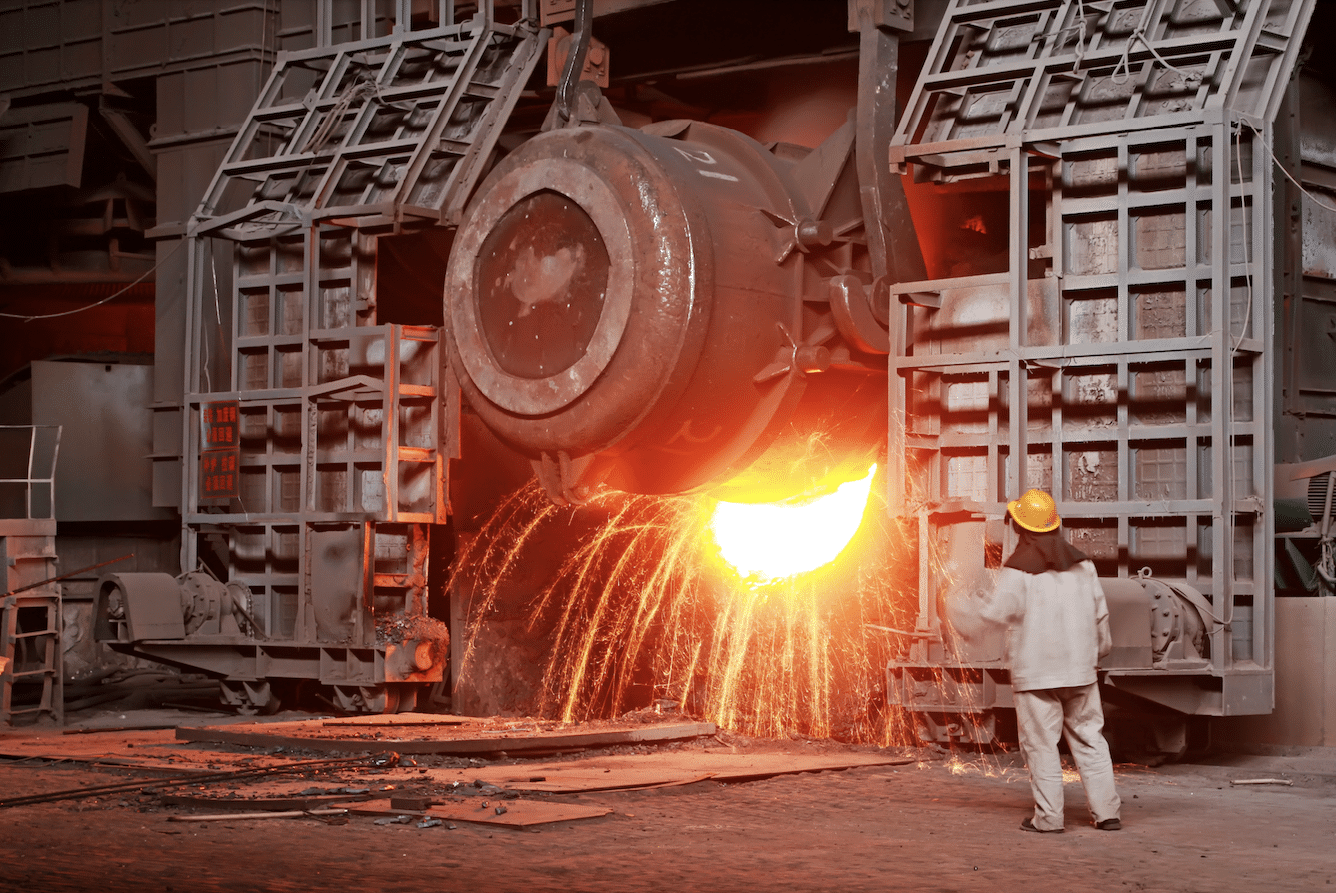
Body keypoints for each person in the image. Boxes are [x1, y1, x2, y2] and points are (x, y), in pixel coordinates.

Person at [972, 488, 1122, 833]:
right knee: (1090, 740)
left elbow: (996, 614)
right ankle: (1107, 814)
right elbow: (1101, 618)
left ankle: (1049, 819)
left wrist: (965, 615)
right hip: (1081, 673)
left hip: (1037, 675)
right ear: (1054, 525)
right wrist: (1095, 656)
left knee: (1041, 746)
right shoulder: (1083, 565)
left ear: (1021, 528)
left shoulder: (1018, 570)